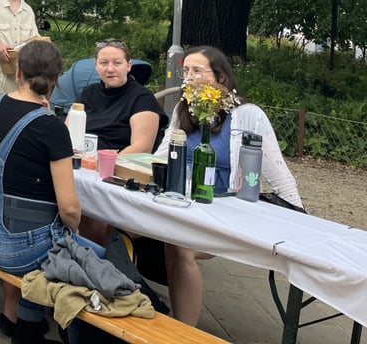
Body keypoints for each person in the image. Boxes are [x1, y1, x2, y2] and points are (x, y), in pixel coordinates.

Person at [155, 45, 303, 326]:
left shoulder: (248, 115)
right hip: (182, 204)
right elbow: (163, 155)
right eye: (185, 71)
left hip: (223, 212)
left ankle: (183, 332)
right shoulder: (182, 110)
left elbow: (278, 173)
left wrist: (300, 221)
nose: (188, 77)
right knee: (121, 223)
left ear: (221, 78)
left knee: (179, 247)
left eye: (197, 71)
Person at [0, 39, 105, 343]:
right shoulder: (52, 127)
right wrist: (73, 231)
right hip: (17, 249)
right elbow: (69, 207)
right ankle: (53, 330)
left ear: (18, 72)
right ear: (57, 79)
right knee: (94, 255)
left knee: (50, 243)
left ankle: (27, 322)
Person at [81, 39, 167, 153]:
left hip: (118, 166)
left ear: (128, 66)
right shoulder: (88, 93)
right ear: (96, 66)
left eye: (117, 63)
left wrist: (106, 163)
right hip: (81, 160)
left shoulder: (142, 99)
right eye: (104, 63)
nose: (110, 69)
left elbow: (142, 149)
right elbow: (68, 132)